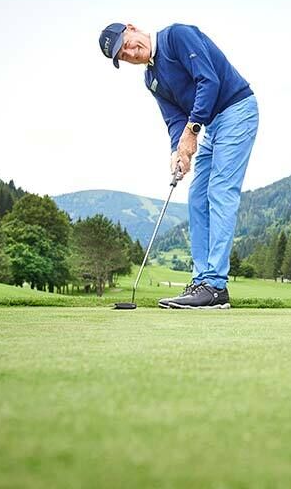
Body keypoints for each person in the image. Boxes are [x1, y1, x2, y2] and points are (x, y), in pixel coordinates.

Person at [98, 22, 258, 309]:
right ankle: (201, 281)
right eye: (122, 55)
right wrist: (178, 152)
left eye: (127, 42)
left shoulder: (177, 36)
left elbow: (208, 81)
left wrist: (192, 130)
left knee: (220, 191)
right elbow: (174, 119)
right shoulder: (151, 78)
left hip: (236, 110)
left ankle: (216, 285)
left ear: (133, 28)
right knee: (197, 196)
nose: (130, 52)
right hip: (210, 125)